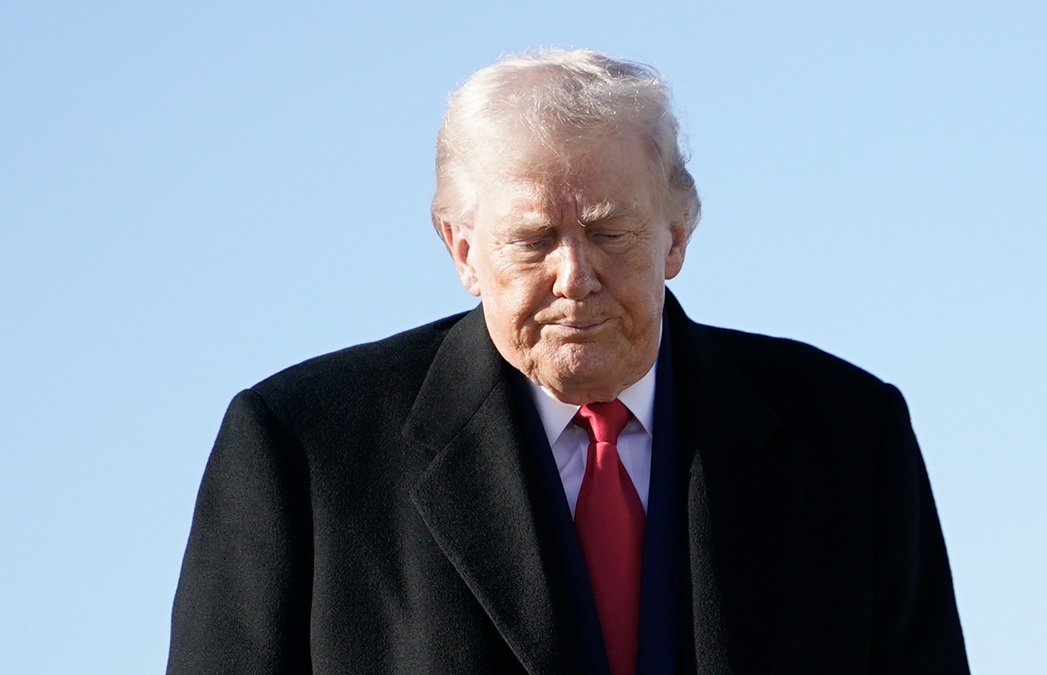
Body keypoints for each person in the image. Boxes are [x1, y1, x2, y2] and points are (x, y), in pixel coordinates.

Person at [168, 49, 970, 674]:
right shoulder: (300, 448)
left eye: (610, 232)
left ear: (677, 237)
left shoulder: (848, 435)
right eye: (532, 241)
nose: (574, 275)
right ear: (462, 250)